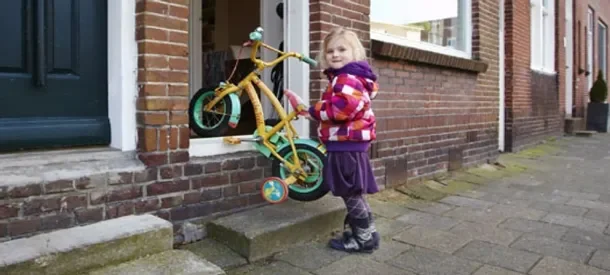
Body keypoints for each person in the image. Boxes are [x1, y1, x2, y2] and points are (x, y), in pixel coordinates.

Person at [283, 27, 380, 253]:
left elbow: (342, 109)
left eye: (341, 49)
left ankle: (363, 240)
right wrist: (309, 111)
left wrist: (313, 111)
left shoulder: (345, 78)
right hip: (352, 144)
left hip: (345, 145)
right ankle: (368, 235)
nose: (335, 54)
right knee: (355, 192)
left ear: (354, 52)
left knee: (350, 192)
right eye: (330, 51)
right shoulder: (354, 77)